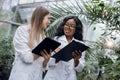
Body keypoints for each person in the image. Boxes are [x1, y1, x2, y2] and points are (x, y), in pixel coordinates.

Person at [9, 6, 51, 80]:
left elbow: (42, 66)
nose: (49, 22)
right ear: (40, 18)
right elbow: (27, 57)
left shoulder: (43, 37)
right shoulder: (22, 31)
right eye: (48, 18)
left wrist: (46, 60)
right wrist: (41, 51)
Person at [44, 16, 85, 80]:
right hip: (53, 77)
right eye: (66, 25)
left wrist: (76, 60)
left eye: (71, 26)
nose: (68, 28)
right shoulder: (54, 41)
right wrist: (57, 58)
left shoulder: (80, 44)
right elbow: (46, 64)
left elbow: (80, 69)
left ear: (76, 29)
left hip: (70, 77)